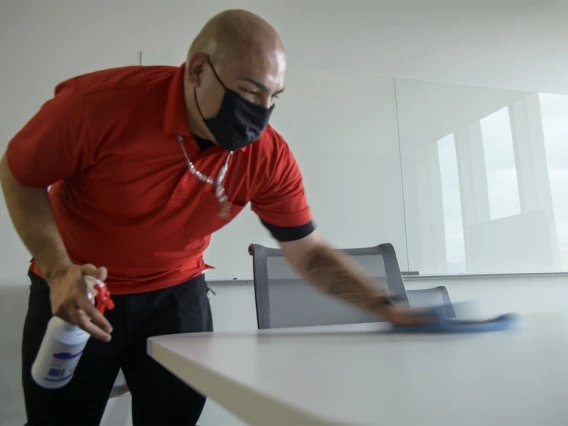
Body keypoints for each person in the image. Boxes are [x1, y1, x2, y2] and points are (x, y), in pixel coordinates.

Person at [0, 9, 430, 426]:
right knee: (58, 418)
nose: (261, 112)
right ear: (198, 69)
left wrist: (383, 306)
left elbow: (309, 253)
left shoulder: (267, 155)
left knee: (175, 418)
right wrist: (57, 270)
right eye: (248, 92)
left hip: (176, 298)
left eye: (273, 97)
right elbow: (20, 174)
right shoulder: (100, 106)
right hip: (77, 289)